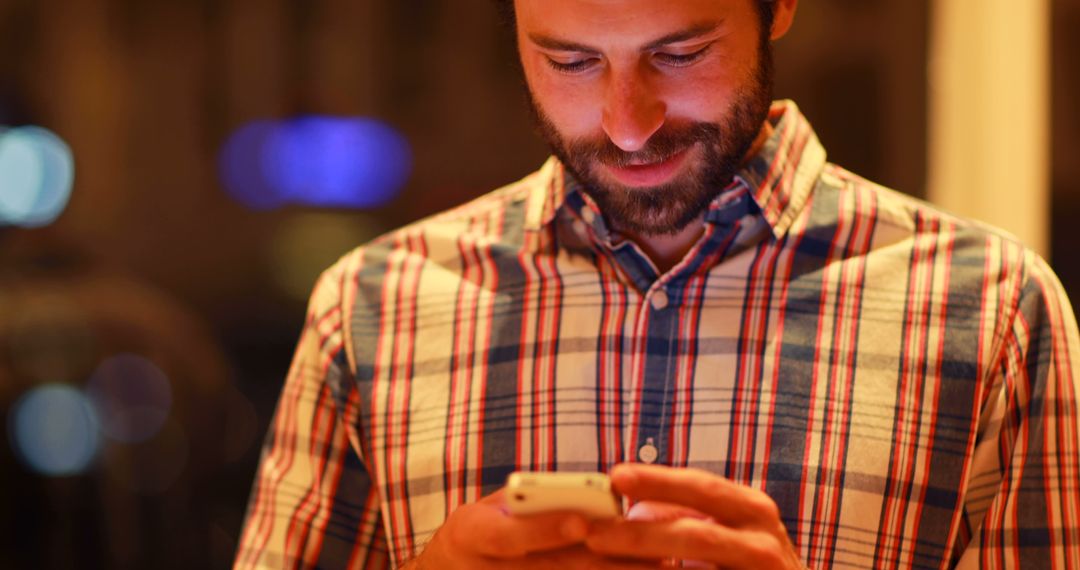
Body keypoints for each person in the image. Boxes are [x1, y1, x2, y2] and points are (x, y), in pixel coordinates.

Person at [235, 0, 1080, 567]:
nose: (626, 122)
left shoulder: (994, 312)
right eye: (568, 61)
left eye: (681, 53)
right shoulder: (373, 306)